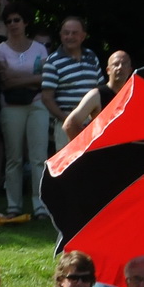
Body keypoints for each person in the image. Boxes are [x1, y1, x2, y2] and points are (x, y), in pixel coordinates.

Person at [0, 3, 50, 218]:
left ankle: (40, 205)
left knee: (38, 157)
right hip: (11, 106)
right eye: (8, 21)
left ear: (25, 22)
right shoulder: (1, 49)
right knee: (14, 158)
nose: (13, 24)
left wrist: (20, 79)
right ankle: (14, 204)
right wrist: (32, 79)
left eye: (17, 20)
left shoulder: (39, 48)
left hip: (37, 104)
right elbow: (4, 81)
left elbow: (46, 78)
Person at [41, 16, 103, 180]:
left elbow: (101, 89)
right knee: (67, 168)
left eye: (74, 33)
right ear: (61, 35)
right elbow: (47, 98)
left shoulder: (91, 57)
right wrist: (69, 120)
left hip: (92, 123)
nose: (70, 37)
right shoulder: (53, 61)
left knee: (91, 167)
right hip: (65, 122)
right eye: (66, 33)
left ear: (83, 36)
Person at [63, 49, 132, 136]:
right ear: (108, 70)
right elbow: (70, 125)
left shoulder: (133, 95)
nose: (120, 67)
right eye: (116, 64)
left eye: (124, 64)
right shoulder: (96, 95)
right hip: (101, 148)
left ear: (130, 70)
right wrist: (84, 147)